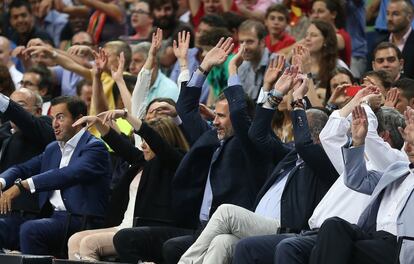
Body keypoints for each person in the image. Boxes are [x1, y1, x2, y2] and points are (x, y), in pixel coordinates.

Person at [113, 38, 267, 264]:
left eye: (221, 116)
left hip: (227, 231)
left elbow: (241, 115)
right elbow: (185, 107)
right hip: (197, 226)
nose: (214, 121)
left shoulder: (248, 144)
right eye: (215, 115)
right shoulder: (210, 139)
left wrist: (232, 69)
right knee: (127, 239)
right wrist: (203, 67)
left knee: (173, 248)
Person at [178, 66, 338, 264]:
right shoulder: (290, 157)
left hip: (288, 229)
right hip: (258, 226)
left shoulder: (325, 163)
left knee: (227, 212)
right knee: (222, 241)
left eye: (301, 127)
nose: (296, 130)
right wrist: (276, 94)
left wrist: (297, 102)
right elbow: (257, 134)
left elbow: (304, 145)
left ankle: (185, 262)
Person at [231, 88, 407, 264]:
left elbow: (369, 141)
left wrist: (366, 105)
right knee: (245, 247)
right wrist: (355, 102)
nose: (354, 132)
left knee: (287, 247)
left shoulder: (393, 166)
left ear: (383, 136)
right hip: (311, 232)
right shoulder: (353, 160)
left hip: (340, 237)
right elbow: (329, 135)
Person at [67, 108, 189, 261]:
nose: (143, 145)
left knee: (89, 244)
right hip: (124, 226)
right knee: (75, 240)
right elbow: (120, 145)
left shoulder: (176, 162)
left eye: (147, 141)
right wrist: (98, 123)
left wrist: (126, 116)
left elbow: (158, 144)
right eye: (142, 141)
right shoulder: (143, 162)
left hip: (144, 231)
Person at [0, 96, 111, 255]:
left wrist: (22, 185)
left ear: (79, 120)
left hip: (82, 219)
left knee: (31, 230)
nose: (54, 124)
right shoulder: (53, 148)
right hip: (53, 217)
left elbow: (67, 175)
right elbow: (23, 168)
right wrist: (2, 181)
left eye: (60, 117)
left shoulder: (95, 148)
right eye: (53, 118)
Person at [308, 104, 414, 264]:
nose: (409, 148)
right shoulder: (398, 170)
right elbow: (356, 180)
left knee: (337, 250)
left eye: (413, 142)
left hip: (402, 244)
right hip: (374, 235)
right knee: (333, 225)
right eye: (408, 142)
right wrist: (358, 143)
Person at [303, 19, 348, 101]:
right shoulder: (300, 64)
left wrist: (327, 94)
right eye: (306, 35)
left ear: (325, 40)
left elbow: (351, 91)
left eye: (314, 35)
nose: (307, 39)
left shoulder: (338, 65)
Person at [238, 19, 274, 101]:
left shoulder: (277, 63)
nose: (244, 47)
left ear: (262, 42)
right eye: (241, 42)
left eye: (249, 42)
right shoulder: (242, 67)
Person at [310, 0, 352, 66]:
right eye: (313, 12)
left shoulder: (341, 36)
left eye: (320, 11)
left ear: (333, 14)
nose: (315, 16)